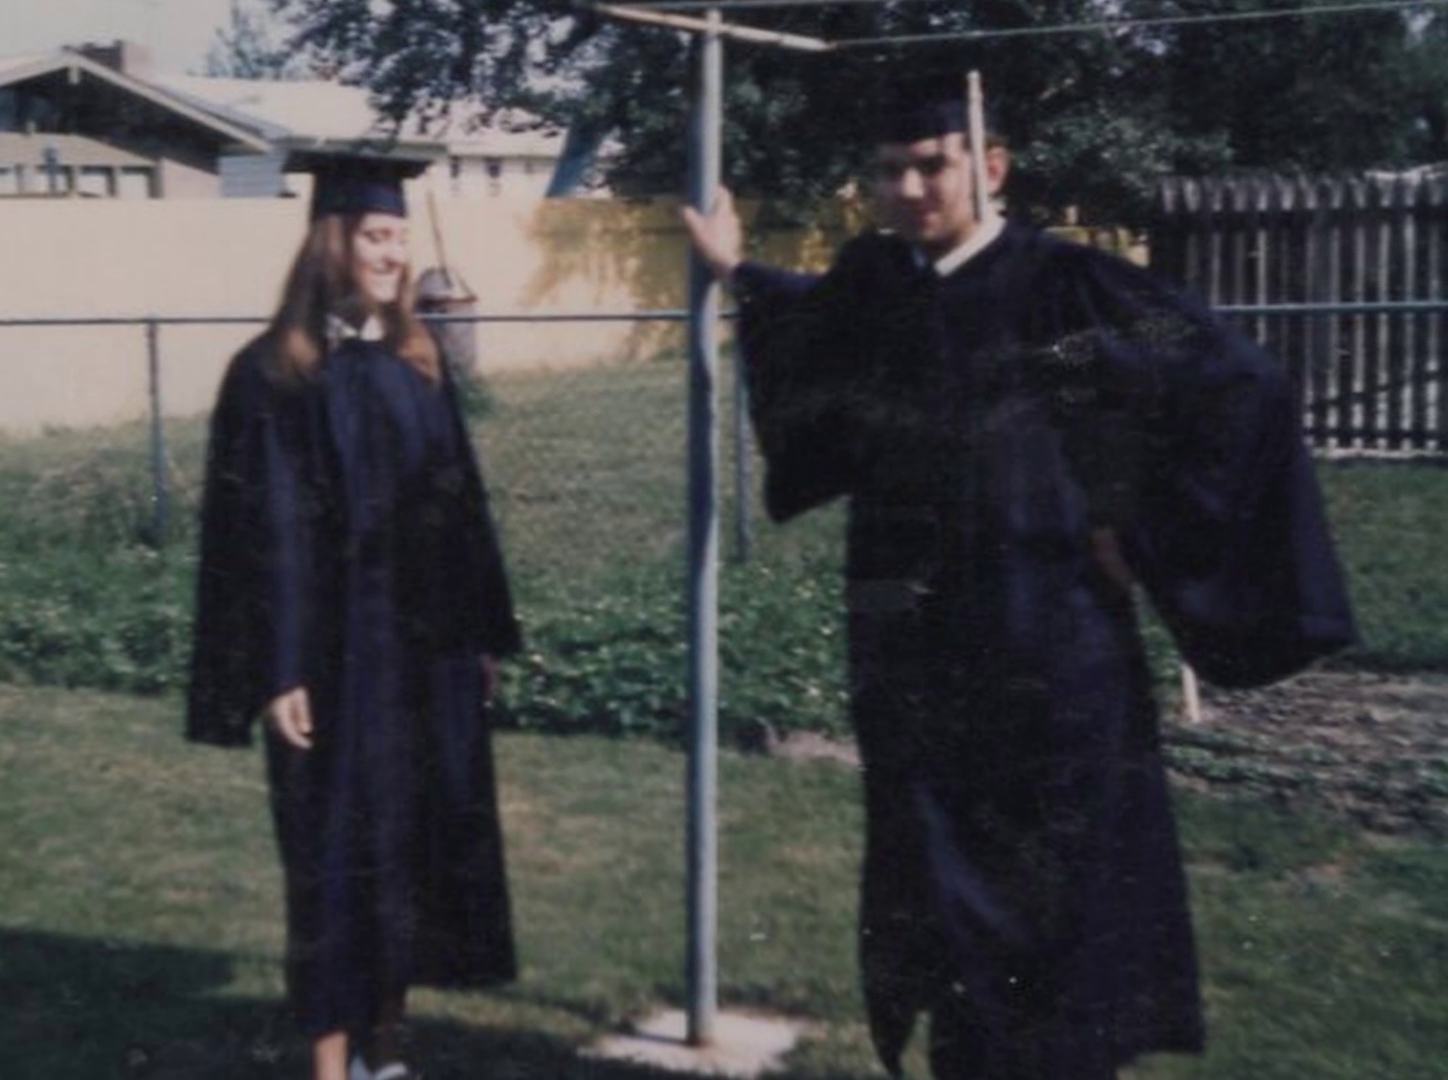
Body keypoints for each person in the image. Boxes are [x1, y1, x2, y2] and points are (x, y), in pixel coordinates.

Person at [682, 77, 1355, 1080]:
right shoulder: (878, 287)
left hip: (1052, 656)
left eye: (932, 165)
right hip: (916, 661)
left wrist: (1140, 525)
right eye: (889, 170)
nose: (910, 187)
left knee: (1062, 906)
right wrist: (737, 269)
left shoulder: (1069, 288)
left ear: (990, 166)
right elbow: (809, 322)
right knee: (944, 906)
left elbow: (1225, 368)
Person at [186, 153, 522, 1080]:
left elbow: (460, 504)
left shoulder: (418, 364)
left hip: (420, 659)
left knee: (408, 853)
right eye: (376, 235)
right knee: (330, 862)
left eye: (400, 237)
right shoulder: (271, 375)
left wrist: (480, 634)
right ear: (331, 242)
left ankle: (389, 1051)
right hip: (331, 666)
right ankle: (330, 1069)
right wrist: (277, 668)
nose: (393, 255)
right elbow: (258, 538)